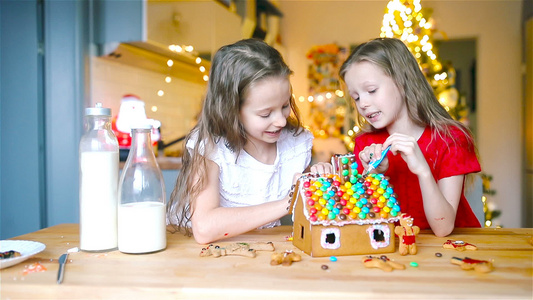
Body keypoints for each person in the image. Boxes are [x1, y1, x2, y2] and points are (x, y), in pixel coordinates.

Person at [325, 38, 480, 237]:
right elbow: (363, 221)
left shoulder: (451, 139)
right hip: (396, 247)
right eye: (356, 97)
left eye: (371, 90)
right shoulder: (366, 144)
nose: (362, 103)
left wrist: (423, 171)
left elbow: (443, 229)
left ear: (402, 81)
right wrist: (374, 176)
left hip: (452, 249)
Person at [167, 39, 314, 244]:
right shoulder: (210, 147)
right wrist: (290, 201)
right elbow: (204, 229)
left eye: (285, 105)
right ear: (231, 111)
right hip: (198, 252)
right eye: (265, 114)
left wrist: (317, 185)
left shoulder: (296, 145)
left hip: (257, 249)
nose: (281, 121)